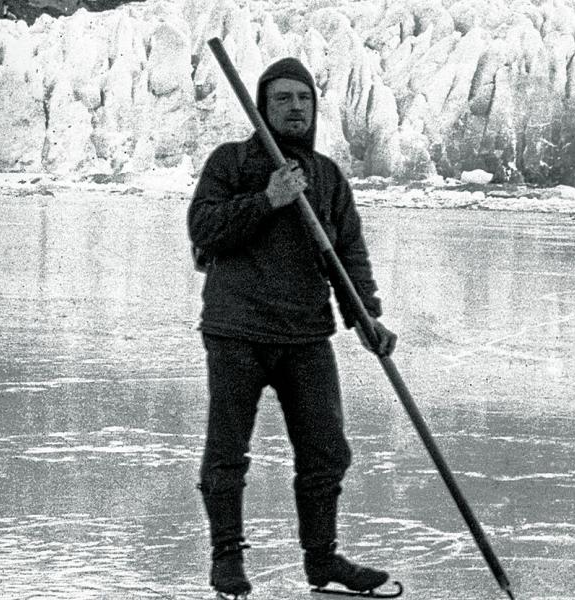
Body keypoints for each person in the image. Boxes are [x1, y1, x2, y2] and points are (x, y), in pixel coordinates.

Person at [188, 57, 400, 599]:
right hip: (237, 330)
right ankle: (226, 559)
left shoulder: (326, 175)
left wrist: (365, 316)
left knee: (327, 450)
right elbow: (203, 228)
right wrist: (267, 200)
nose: (295, 108)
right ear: (263, 106)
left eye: (303, 98)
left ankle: (322, 558)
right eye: (282, 99)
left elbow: (347, 251)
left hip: (307, 334)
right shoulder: (230, 162)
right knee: (228, 451)